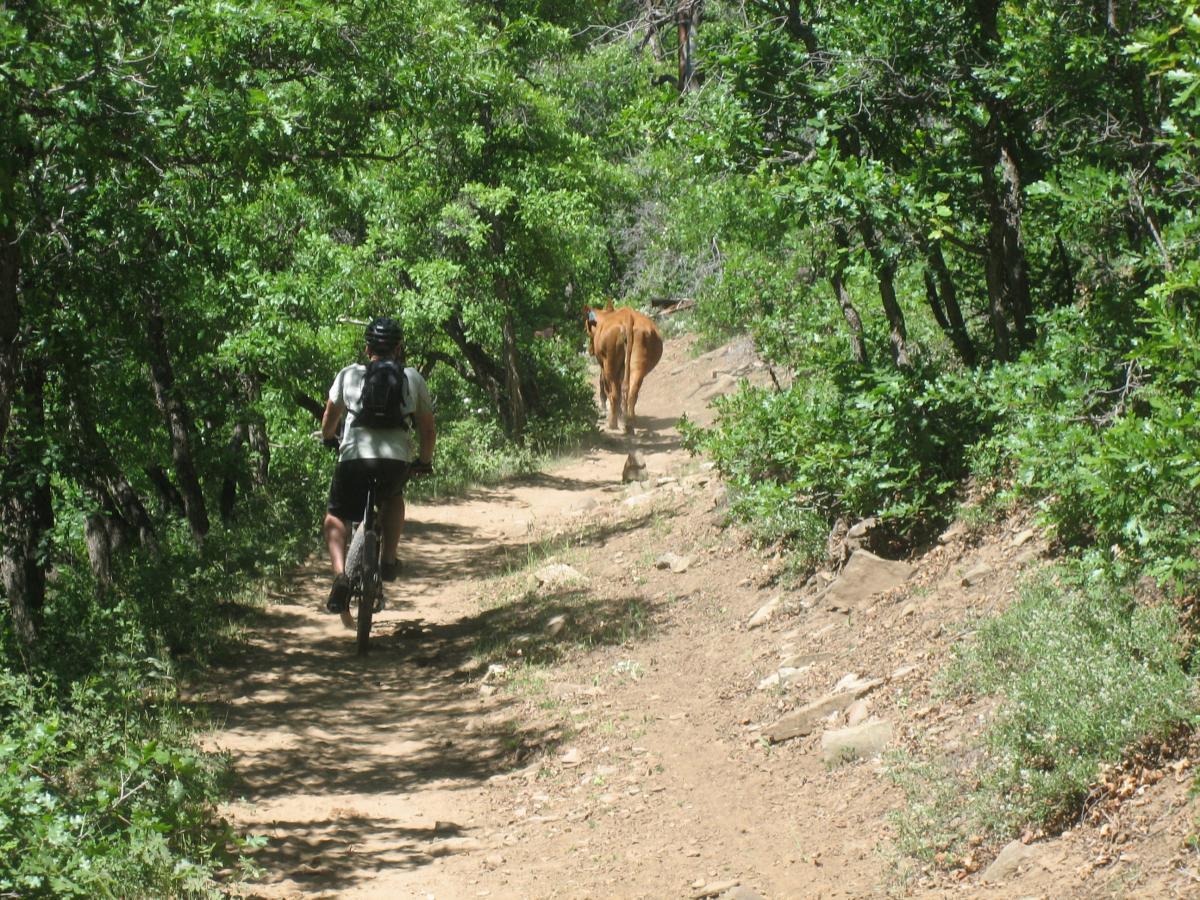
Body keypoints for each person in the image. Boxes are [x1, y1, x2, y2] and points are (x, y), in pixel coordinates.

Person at [320, 316, 435, 613]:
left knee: (335, 515)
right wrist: (424, 461)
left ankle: (340, 577)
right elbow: (427, 430)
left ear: (367, 347)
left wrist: (329, 438)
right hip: (393, 460)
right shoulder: (412, 378)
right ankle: (387, 562)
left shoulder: (348, 375)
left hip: (354, 459)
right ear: (398, 349)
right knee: (394, 498)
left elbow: (329, 422)